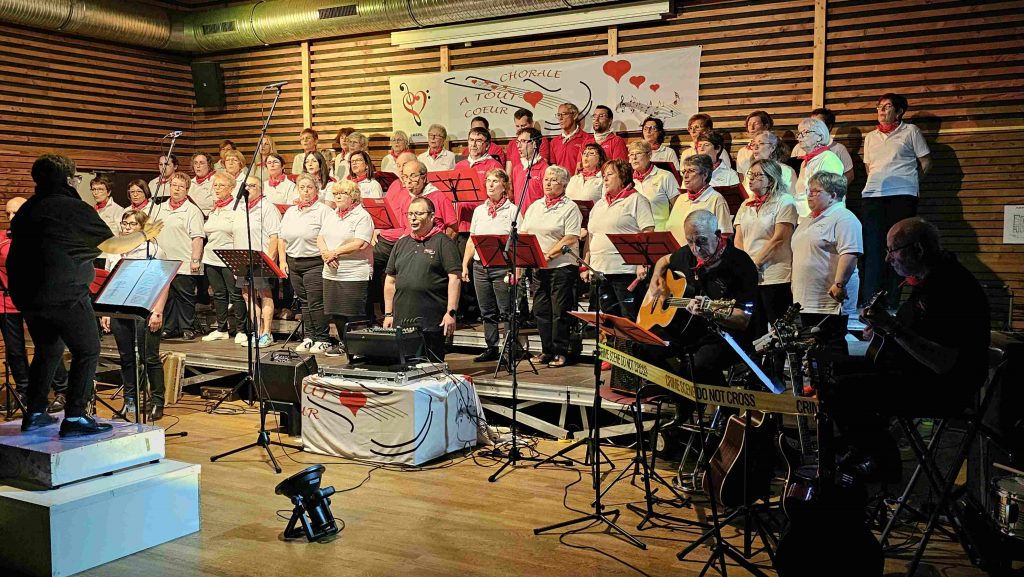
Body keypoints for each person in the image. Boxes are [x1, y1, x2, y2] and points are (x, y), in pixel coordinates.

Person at [9, 154, 161, 437]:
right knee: (88, 349)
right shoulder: (72, 207)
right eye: (76, 177)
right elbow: (112, 246)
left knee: (48, 349)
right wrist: (145, 234)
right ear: (68, 179)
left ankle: (35, 413)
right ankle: (75, 417)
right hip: (64, 293)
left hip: (28, 294)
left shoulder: (30, 207)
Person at [834, 217, 989, 482]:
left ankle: (881, 461)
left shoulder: (951, 288)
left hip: (944, 388)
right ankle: (862, 450)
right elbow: (917, 331)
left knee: (843, 390)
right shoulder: (928, 279)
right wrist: (881, 329)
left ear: (917, 249)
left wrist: (891, 326)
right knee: (834, 370)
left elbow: (942, 362)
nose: (887, 259)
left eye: (892, 251)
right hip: (913, 373)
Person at [645, 209, 757, 424]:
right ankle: (683, 398)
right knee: (645, 345)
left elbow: (742, 318)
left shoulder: (739, 264)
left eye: (701, 241)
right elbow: (664, 260)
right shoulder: (687, 254)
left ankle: (729, 415)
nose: (696, 249)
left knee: (699, 363)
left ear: (718, 234)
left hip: (728, 334)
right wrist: (656, 278)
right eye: (690, 242)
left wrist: (710, 311)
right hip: (693, 330)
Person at [861, 93, 932, 308]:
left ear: (899, 111)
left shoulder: (911, 131)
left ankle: (892, 301)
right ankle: (871, 301)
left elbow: (926, 161)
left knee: (899, 248)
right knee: (873, 248)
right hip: (873, 195)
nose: (882, 111)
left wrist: (910, 182)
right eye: (879, 107)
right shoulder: (870, 136)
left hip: (903, 195)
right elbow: (868, 167)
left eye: (887, 106)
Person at [0, 197, 69, 415]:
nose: (11, 217)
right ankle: (24, 390)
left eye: (16, 212)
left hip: (36, 301)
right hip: (6, 301)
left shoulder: (41, 236)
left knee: (46, 345)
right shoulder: (2, 239)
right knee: (14, 350)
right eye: (8, 213)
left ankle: (62, 389)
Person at [101, 209, 168, 421]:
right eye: (125, 223)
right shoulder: (115, 250)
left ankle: (157, 401)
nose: (127, 228)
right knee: (127, 359)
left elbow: (164, 282)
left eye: (132, 224)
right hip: (120, 309)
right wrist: (106, 311)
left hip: (145, 308)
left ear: (142, 227)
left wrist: (158, 311)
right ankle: (129, 403)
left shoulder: (153, 249)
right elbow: (109, 282)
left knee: (149, 357)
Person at [372, 159, 457, 321]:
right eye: (404, 177)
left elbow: (452, 226)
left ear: (424, 177)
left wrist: (442, 250)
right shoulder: (406, 197)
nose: (408, 181)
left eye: (413, 176)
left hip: (432, 248)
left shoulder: (438, 196)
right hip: (411, 246)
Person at [790, 171, 861, 356]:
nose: (809, 195)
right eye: (809, 190)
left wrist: (839, 284)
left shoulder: (844, 218)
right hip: (806, 297)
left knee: (832, 344)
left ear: (833, 195)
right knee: (813, 346)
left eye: (816, 191)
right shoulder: (809, 219)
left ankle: (837, 375)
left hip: (829, 298)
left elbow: (850, 253)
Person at [383, 197, 462, 361]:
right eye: (410, 214)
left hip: (431, 322)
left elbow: (454, 279)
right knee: (405, 366)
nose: (413, 218)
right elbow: (390, 280)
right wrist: (389, 314)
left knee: (431, 368)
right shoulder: (401, 243)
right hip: (402, 321)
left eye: (418, 214)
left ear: (432, 216)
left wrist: (451, 312)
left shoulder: (444, 243)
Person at [519, 165, 582, 368]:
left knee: (559, 311)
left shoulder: (570, 207)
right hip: (538, 267)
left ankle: (560, 351)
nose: (548, 183)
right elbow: (524, 233)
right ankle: (546, 349)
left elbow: (571, 237)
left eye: (554, 180)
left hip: (562, 266)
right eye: (546, 179)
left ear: (564, 184)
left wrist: (548, 255)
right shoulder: (535, 206)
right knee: (540, 309)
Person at [583, 159, 655, 320]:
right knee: (607, 320)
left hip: (625, 272)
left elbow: (647, 232)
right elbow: (592, 235)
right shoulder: (599, 204)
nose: (605, 178)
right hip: (600, 271)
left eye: (610, 174)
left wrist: (641, 263)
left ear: (623, 177)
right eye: (603, 175)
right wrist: (586, 265)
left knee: (628, 318)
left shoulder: (637, 200)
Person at [733, 159, 798, 333]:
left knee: (779, 327)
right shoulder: (745, 204)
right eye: (750, 174)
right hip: (750, 276)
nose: (751, 179)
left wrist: (753, 265)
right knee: (755, 327)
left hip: (775, 275)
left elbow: (779, 239)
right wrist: (743, 266)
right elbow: (739, 239)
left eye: (758, 175)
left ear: (771, 179)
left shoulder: (785, 201)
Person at [461, 168, 517, 362]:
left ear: (504, 186)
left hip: (502, 267)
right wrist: (465, 265)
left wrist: (516, 270)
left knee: (506, 311)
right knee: (486, 311)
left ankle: (509, 350)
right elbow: (472, 240)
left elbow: (518, 241)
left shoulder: (512, 210)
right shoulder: (479, 210)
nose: (490, 185)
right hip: (480, 267)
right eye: (488, 181)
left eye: (495, 181)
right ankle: (491, 347)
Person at [317, 180, 373, 357]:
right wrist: (325, 254)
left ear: (353, 196)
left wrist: (335, 253)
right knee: (336, 311)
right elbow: (320, 237)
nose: (338, 197)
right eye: (335, 194)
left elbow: (360, 243)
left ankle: (360, 347)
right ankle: (344, 343)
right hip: (331, 271)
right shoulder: (332, 214)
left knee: (353, 312)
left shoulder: (362, 216)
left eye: (343, 193)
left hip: (353, 272)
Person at [279, 173, 333, 354]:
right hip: (294, 261)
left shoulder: (323, 210)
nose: (305, 191)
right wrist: (282, 260)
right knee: (304, 302)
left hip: (314, 262)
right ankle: (309, 336)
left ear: (317, 189)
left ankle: (323, 338)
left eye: (309, 187)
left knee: (315, 302)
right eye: (302, 187)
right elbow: (282, 238)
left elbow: (328, 236)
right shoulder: (291, 211)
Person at [152, 171, 206, 341]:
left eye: (181, 187)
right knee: (167, 297)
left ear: (187, 190)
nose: (176, 189)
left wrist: (195, 260)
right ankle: (169, 327)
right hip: (162, 262)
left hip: (184, 261)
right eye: (174, 185)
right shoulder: (159, 208)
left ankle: (187, 327)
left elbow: (197, 237)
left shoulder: (192, 211)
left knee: (184, 296)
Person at [232, 176, 282, 348]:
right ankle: (257, 331)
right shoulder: (240, 207)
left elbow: (275, 236)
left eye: (252, 186)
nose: (248, 188)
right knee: (248, 296)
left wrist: (270, 261)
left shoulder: (267, 208)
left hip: (261, 258)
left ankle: (267, 333)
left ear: (261, 189)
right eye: (245, 186)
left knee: (264, 294)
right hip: (242, 259)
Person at [201, 172, 247, 343]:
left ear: (232, 188)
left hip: (229, 256)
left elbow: (239, 235)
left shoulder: (237, 208)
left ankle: (241, 329)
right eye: (215, 185)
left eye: (222, 185)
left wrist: (239, 261)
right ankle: (222, 328)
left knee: (235, 294)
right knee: (219, 294)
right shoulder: (215, 209)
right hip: (210, 256)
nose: (217, 188)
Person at [666, 154, 733, 244]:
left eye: (691, 171)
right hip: (676, 252)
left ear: (705, 174)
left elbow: (724, 236)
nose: (685, 176)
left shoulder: (716, 199)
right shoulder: (681, 198)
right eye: (684, 171)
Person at [794, 117, 845, 220]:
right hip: (803, 218)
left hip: (822, 219)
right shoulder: (804, 162)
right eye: (799, 133)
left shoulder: (828, 158)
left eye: (805, 132)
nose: (800, 137)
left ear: (820, 137)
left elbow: (827, 195)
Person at [790, 107, 855, 184]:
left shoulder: (834, 153)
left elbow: (847, 176)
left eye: (816, 124)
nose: (801, 137)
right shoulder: (799, 149)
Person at [628, 140, 678, 232]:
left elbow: (677, 207)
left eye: (638, 153)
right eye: (631, 154)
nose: (634, 158)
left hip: (660, 231)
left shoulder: (665, 176)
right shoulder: (628, 180)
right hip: (635, 232)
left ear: (649, 155)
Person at [509, 127, 549, 215]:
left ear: (534, 143)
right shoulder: (517, 169)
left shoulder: (545, 169)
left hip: (537, 217)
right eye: (517, 142)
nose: (518, 146)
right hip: (519, 218)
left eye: (523, 141)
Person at [744, 132, 796, 197]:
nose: (755, 147)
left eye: (761, 143)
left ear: (772, 148)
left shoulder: (786, 171)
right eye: (753, 144)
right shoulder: (750, 171)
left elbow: (791, 197)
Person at [549, 103, 594, 176]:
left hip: (579, 181)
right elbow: (553, 167)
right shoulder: (554, 142)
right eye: (559, 115)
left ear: (574, 116)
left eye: (564, 114)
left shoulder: (588, 138)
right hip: (560, 182)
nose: (560, 118)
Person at [505, 108, 550, 174]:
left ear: (531, 123)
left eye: (523, 125)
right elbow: (508, 171)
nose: (520, 129)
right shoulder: (512, 144)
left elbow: (542, 167)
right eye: (517, 126)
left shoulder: (540, 141)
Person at [736, 111, 773, 175]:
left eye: (756, 124)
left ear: (766, 126)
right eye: (749, 124)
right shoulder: (742, 151)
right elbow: (740, 175)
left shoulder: (772, 147)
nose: (752, 128)